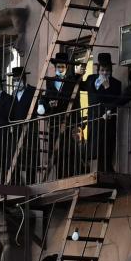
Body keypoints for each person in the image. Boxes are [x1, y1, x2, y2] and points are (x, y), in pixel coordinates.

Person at [42, 52, 81, 180]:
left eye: (62, 67)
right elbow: (46, 98)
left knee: (69, 151)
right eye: (58, 66)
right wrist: (50, 104)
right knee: (56, 152)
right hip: (54, 121)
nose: (60, 69)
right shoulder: (50, 81)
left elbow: (77, 102)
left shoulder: (71, 80)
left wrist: (78, 123)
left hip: (69, 121)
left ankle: (68, 177)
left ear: (66, 67)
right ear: (56, 67)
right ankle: (60, 178)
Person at [84, 53, 122, 172]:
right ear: (98, 69)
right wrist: (77, 74)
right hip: (93, 118)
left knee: (106, 145)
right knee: (92, 144)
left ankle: (106, 169)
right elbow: (79, 86)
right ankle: (89, 167)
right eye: (102, 70)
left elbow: (116, 101)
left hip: (107, 118)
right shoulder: (91, 79)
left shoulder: (116, 83)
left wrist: (107, 88)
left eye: (107, 70)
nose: (104, 73)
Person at [7, 66, 36, 183]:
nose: (16, 82)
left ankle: (31, 183)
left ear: (24, 79)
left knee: (31, 157)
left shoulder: (32, 91)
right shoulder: (12, 95)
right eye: (14, 80)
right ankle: (18, 183)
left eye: (18, 79)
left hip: (30, 130)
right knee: (16, 157)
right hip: (16, 131)